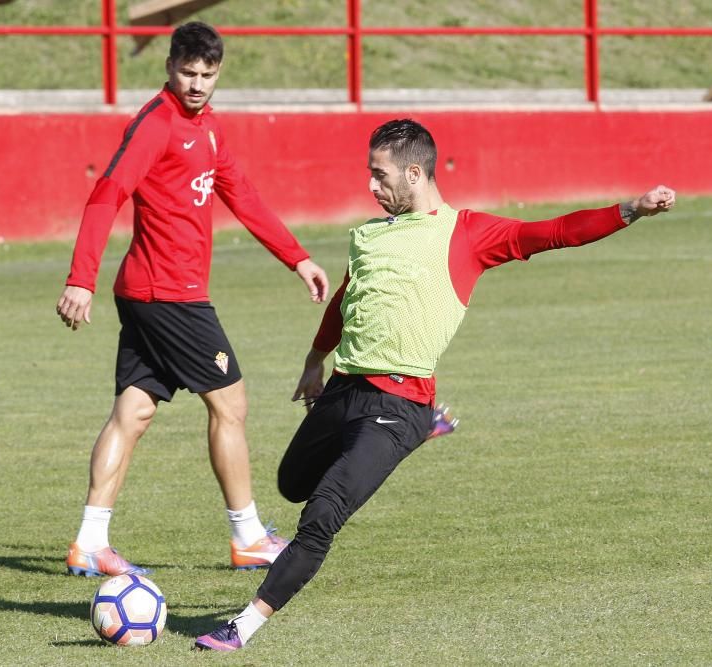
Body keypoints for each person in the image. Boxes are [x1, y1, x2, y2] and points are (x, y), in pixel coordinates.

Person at [194, 118, 676, 651]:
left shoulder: (468, 233)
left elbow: (555, 231)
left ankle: (242, 627)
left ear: (415, 172)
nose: (371, 187)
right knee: (291, 482)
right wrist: (315, 358)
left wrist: (632, 208)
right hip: (342, 390)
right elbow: (346, 299)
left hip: (399, 404)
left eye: (380, 176)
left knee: (321, 515)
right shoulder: (368, 235)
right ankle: (423, 428)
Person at [56, 21, 329, 577]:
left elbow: (242, 195)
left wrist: (297, 257)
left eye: (207, 74)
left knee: (132, 412)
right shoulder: (157, 125)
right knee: (231, 404)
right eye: (187, 72)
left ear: (218, 72)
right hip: (169, 295)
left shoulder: (206, 127)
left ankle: (90, 542)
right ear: (169, 67)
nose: (197, 83)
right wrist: (80, 277)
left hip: (151, 293)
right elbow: (106, 193)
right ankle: (249, 536)